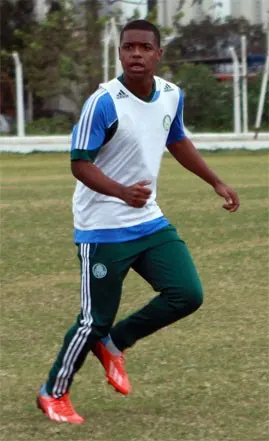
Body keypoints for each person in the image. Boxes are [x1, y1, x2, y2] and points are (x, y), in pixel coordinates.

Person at [37, 19, 240, 424]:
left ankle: (116, 343)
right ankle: (53, 392)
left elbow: (176, 139)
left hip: (149, 221)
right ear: (119, 53)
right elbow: (80, 163)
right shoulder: (104, 102)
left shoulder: (170, 95)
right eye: (128, 47)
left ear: (158, 54)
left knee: (187, 293)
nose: (135, 54)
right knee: (94, 319)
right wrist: (121, 192)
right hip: (102, 227)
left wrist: (215, 180)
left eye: (144, 48)